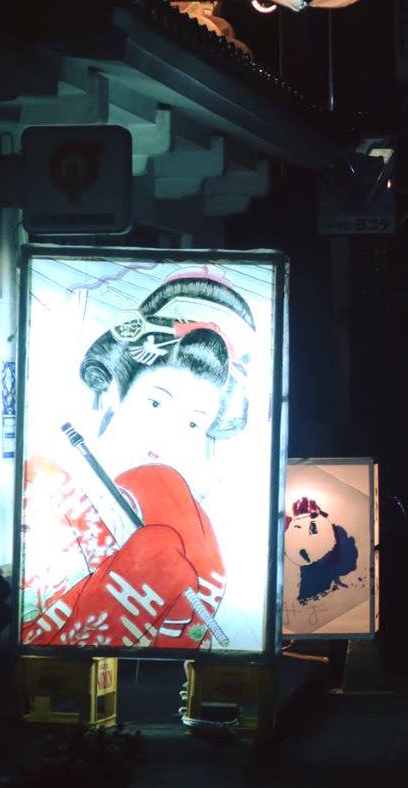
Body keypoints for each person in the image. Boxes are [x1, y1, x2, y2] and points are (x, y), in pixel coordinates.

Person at [20, 272, 255, 651]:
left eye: (194, 423)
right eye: (156, 402)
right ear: (116, 389)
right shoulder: (44, 487)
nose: (169, 434)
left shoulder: (185, 514)